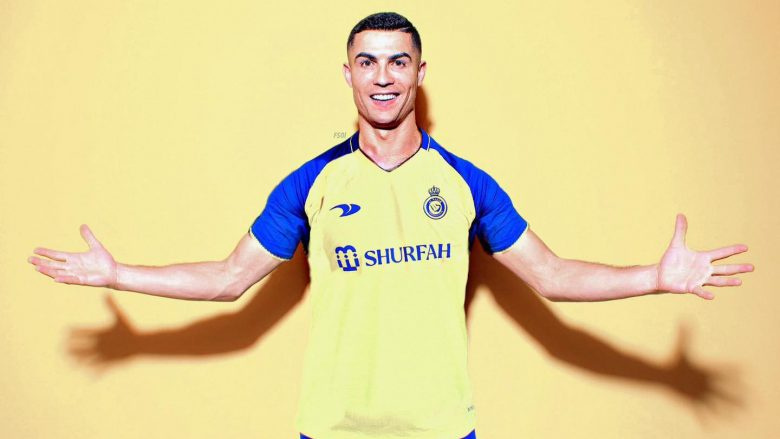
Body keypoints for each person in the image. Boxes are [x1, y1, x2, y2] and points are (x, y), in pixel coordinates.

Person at [27, 12, 753, 439]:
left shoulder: (466, 182)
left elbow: (554, 275)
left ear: (419, 73)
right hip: (335, 427)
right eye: (367, 63)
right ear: (346, 73)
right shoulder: (310, 183)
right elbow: (227, 279)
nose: (383, 77)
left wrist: (655, 277)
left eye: (398, 62)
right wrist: (118, 274)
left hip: (440, 429)